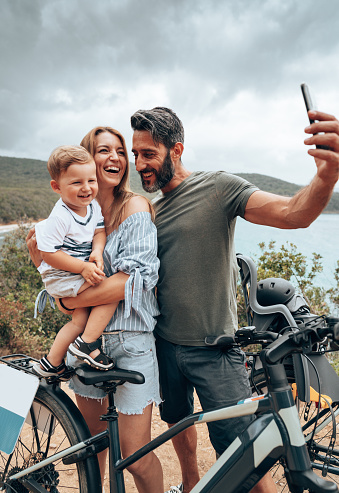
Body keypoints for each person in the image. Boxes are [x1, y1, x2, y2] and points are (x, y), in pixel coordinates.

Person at [128, 106, 339, 493]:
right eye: (135, 154)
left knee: (248, 457)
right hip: (163, 344)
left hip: (214, 350)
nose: (139, 164)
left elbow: (293, 213)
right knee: (177, 418)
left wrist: (327, 173)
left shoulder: (218, 188)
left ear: (176, 150)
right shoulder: (149, 212)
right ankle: (190, 480)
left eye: (148, 154)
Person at [26, 127, 163, 493]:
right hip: (89, 344)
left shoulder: (134, 207)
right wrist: (54, 283)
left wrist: (70, 300)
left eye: (121, 151)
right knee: (93, 447)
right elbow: (61, 287)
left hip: (129, 342)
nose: (116, 157)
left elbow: (133, 281)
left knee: (135, 453)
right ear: (87, 158)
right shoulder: (75, 214)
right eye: (104, 150)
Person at [32, 145, 117, 378]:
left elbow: (99, 232)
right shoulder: (60, 216)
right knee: (110, 291)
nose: (87, 188)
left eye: (91, 180)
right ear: (56, 187)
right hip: (61, 274)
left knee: (79, 321)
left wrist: (96, 253)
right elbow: (48, 253)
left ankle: (51, 363)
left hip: (77, 270)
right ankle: (86, 344)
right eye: (76, 182)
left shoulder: (92, 206)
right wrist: (82, 267)